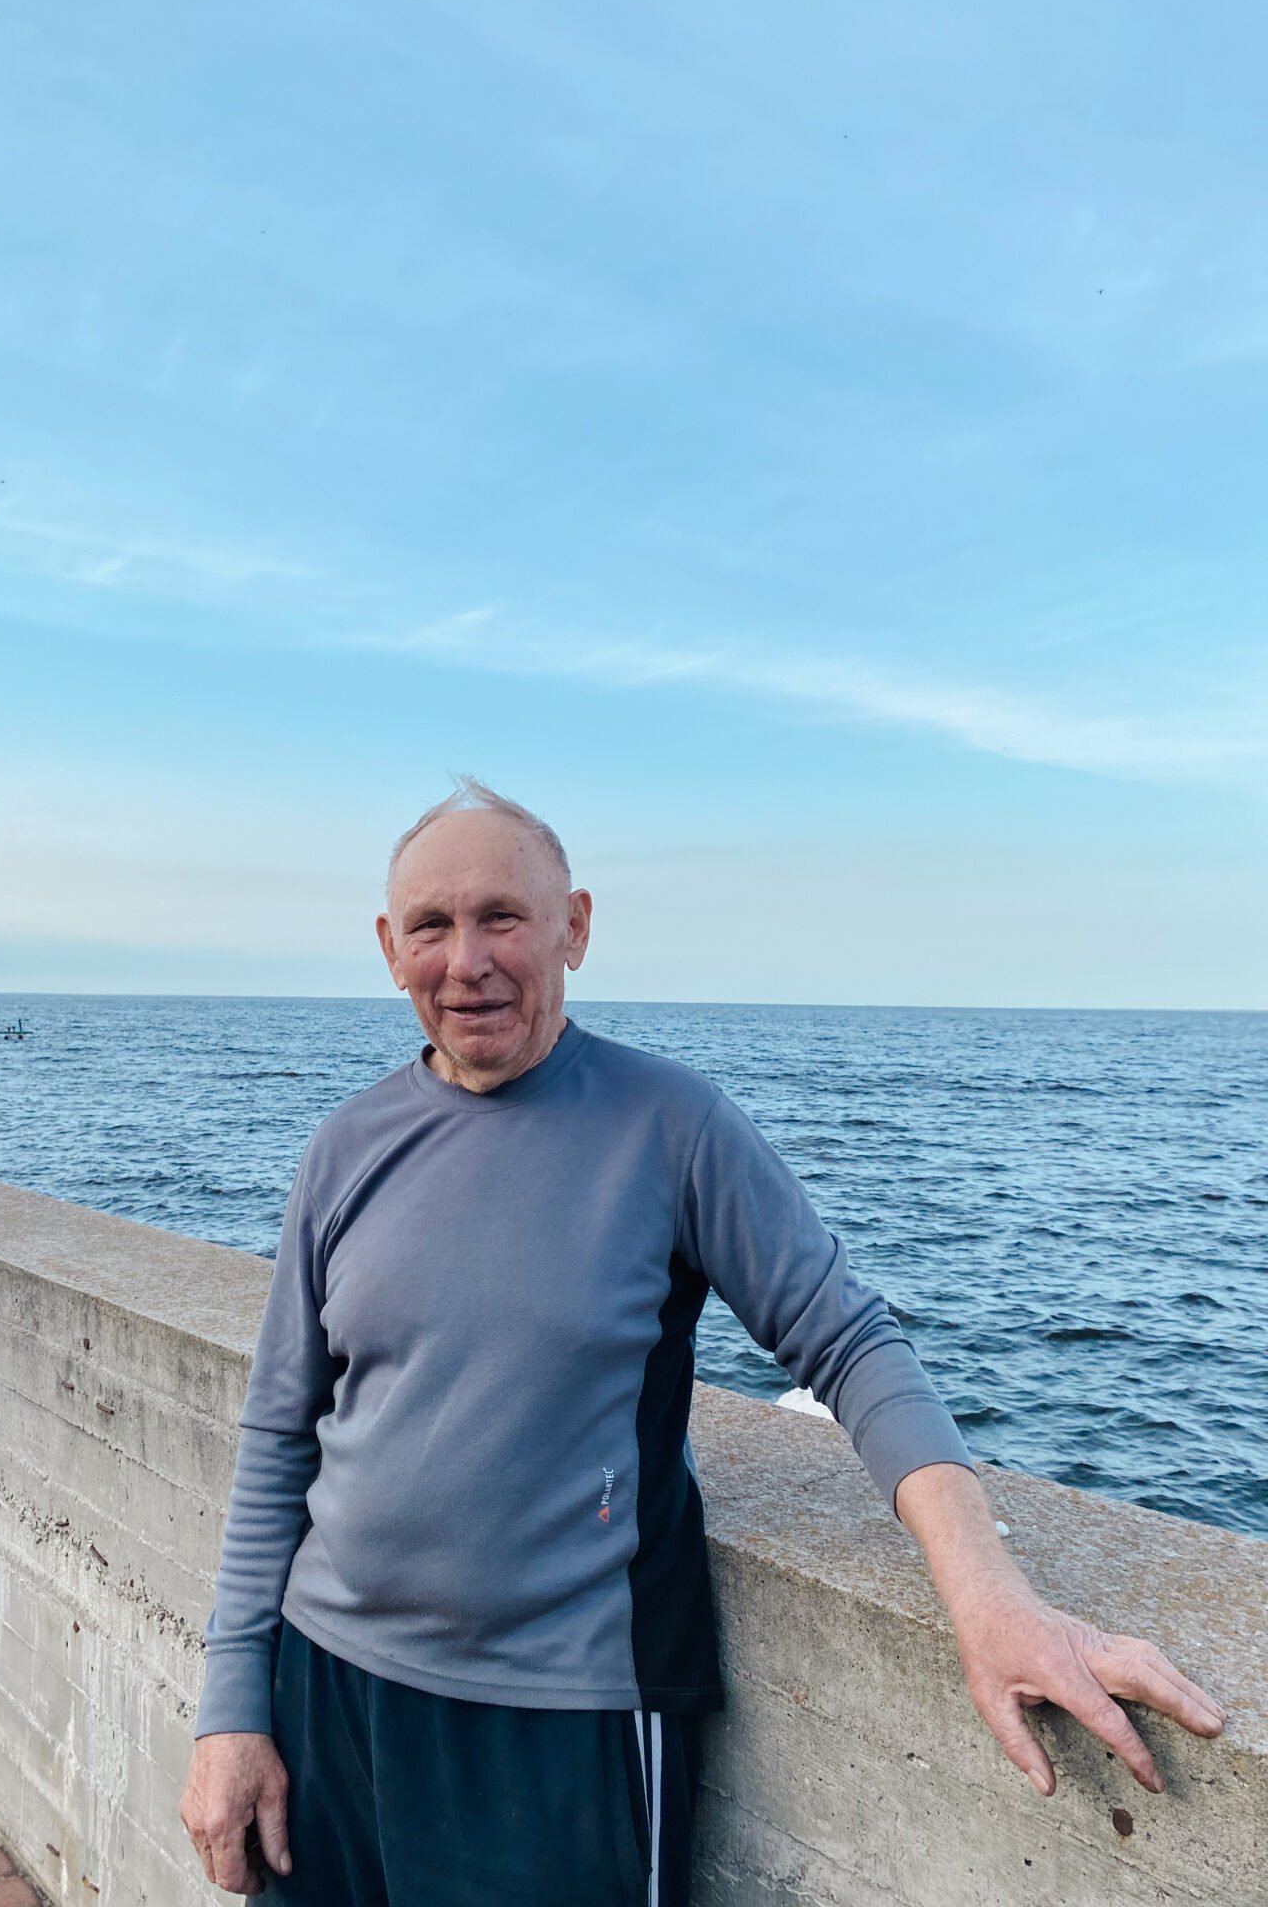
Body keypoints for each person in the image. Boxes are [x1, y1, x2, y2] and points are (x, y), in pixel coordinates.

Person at [180, 781, 1225, 1904]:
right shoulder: (345, 1148)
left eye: (503, 917)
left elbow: (852, 1343)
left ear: (575, 926)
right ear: (392, 950)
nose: (467, 961)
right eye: (431, 926)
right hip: (325, 1689)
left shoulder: (671, 1126)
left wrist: (991, 1597)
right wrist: (233, 1703)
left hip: (563, 1717)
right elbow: (281, 1430)